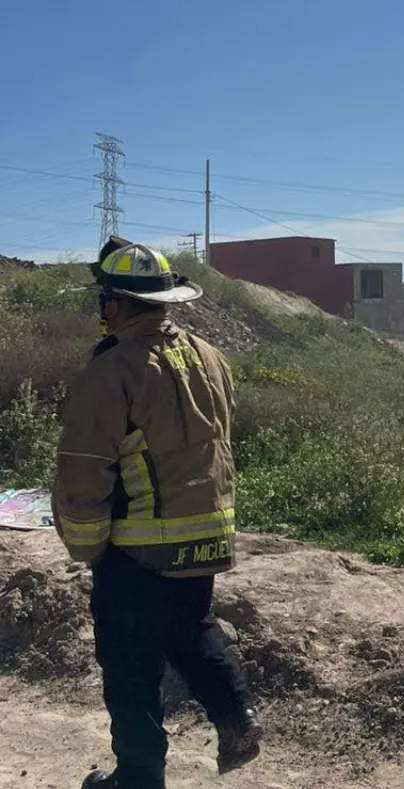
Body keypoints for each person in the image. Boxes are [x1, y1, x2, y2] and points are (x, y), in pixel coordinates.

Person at [52, 238, 263, 789]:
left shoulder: (112, 371)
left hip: (136, 548)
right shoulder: (210, 358)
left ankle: (138, 780)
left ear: (114, 306)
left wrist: (87, 547)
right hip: (208, 533)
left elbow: (83, 471)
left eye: (104, 301)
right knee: (190, 628)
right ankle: (235, 713)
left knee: (129, 667)